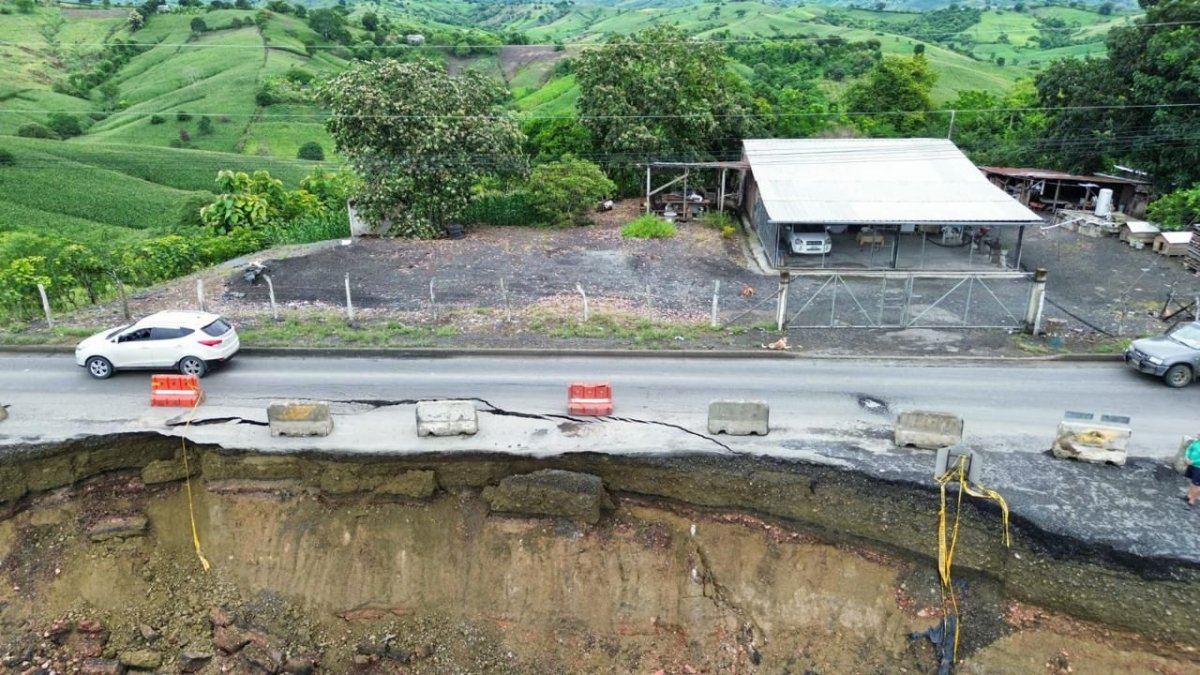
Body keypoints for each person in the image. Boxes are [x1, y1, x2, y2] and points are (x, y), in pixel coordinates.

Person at [1185, 435, 1200, 507]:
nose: (1198, 434)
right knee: (1192, 481)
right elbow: (1189, 449)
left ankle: (1192, 500)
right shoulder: (1196, 442)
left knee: (1197, 485)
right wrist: (1187, 457)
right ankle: (1189, 496)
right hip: (1191, 465)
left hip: (1198, 467)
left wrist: (1193, 461)